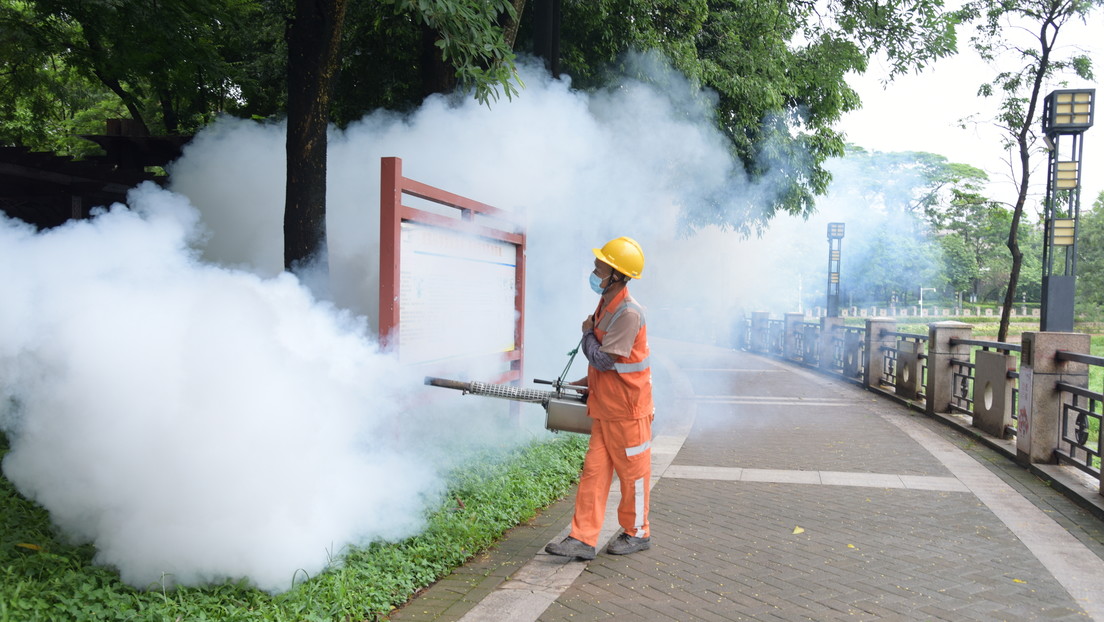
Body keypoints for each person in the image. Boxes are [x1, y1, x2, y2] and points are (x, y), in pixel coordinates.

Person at [545, 236, 654, 560]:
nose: (594, 271)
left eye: (599, 267)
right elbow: (605, 366)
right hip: (607, 409)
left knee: (633, 476)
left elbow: (604, 360)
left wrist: (586, 334)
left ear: (617, 274)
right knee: (593, 474)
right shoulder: (607, 303)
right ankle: (582, 538)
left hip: (628, 412)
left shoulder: (628, 313)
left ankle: (638, 532)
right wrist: (585, 384)